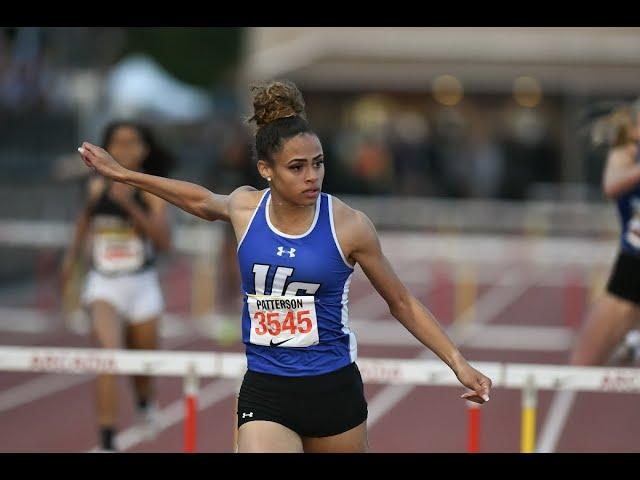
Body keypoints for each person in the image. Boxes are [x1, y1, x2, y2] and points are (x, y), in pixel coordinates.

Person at [77, 80, 492, 453]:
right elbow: (198, 199)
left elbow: (401, 301)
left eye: (318, 162)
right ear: (266, 171)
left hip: (333, 391)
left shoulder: (348, 225)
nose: (312, 176)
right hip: (267, 389)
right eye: (297, 167)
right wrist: (125, 175)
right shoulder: (245, 208)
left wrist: (457, 362)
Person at [61, 120, 174, 452]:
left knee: (141, 368)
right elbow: (82, 227)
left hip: (142, 285)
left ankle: (143, 402)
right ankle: (108, 441)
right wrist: (69, 265)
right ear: (107, 148)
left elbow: (164, 241)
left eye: (132, 143)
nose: (124, 150)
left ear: (144, 149)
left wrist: (127, 203)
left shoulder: (153, 190)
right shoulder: (93, 188)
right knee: (108, 356)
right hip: (104, 285)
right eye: (117, 143)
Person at [570, 101, 640, 366]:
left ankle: (633, 342)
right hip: (631, 265)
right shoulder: (625, 152)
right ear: (634, 130)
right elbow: (611, 186)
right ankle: (629, 343)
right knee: (583, 364)